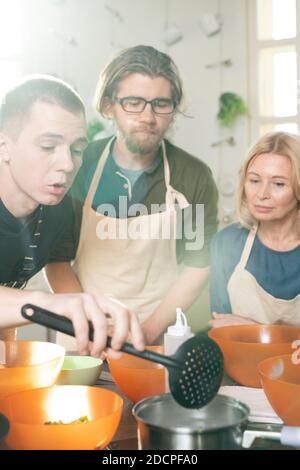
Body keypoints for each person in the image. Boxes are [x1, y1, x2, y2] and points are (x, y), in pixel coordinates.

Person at [45, 45, 218, 346]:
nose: (148, 117)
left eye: (161, 103)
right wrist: (91, 322)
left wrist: (148, 331)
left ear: (173, 108)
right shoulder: (77, 166)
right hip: (82, 332)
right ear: (110, 105)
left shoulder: (192, 177)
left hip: (156, 335)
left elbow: (196, 265)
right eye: (134, 103)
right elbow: (56, 260)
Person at [0, 75, 144, 356]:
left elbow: (31, 271)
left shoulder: (60, 209)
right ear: (4, 146)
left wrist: (88, 319)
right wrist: (50, 304)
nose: (67, 164)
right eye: (47, 147)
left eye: (77, 149)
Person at [210, 131, 300, 328]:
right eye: (254, 180)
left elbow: (236, 328)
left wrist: (251, 327)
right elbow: (222, 327)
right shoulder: (226, 243)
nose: (262, 194)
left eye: (278, 184)